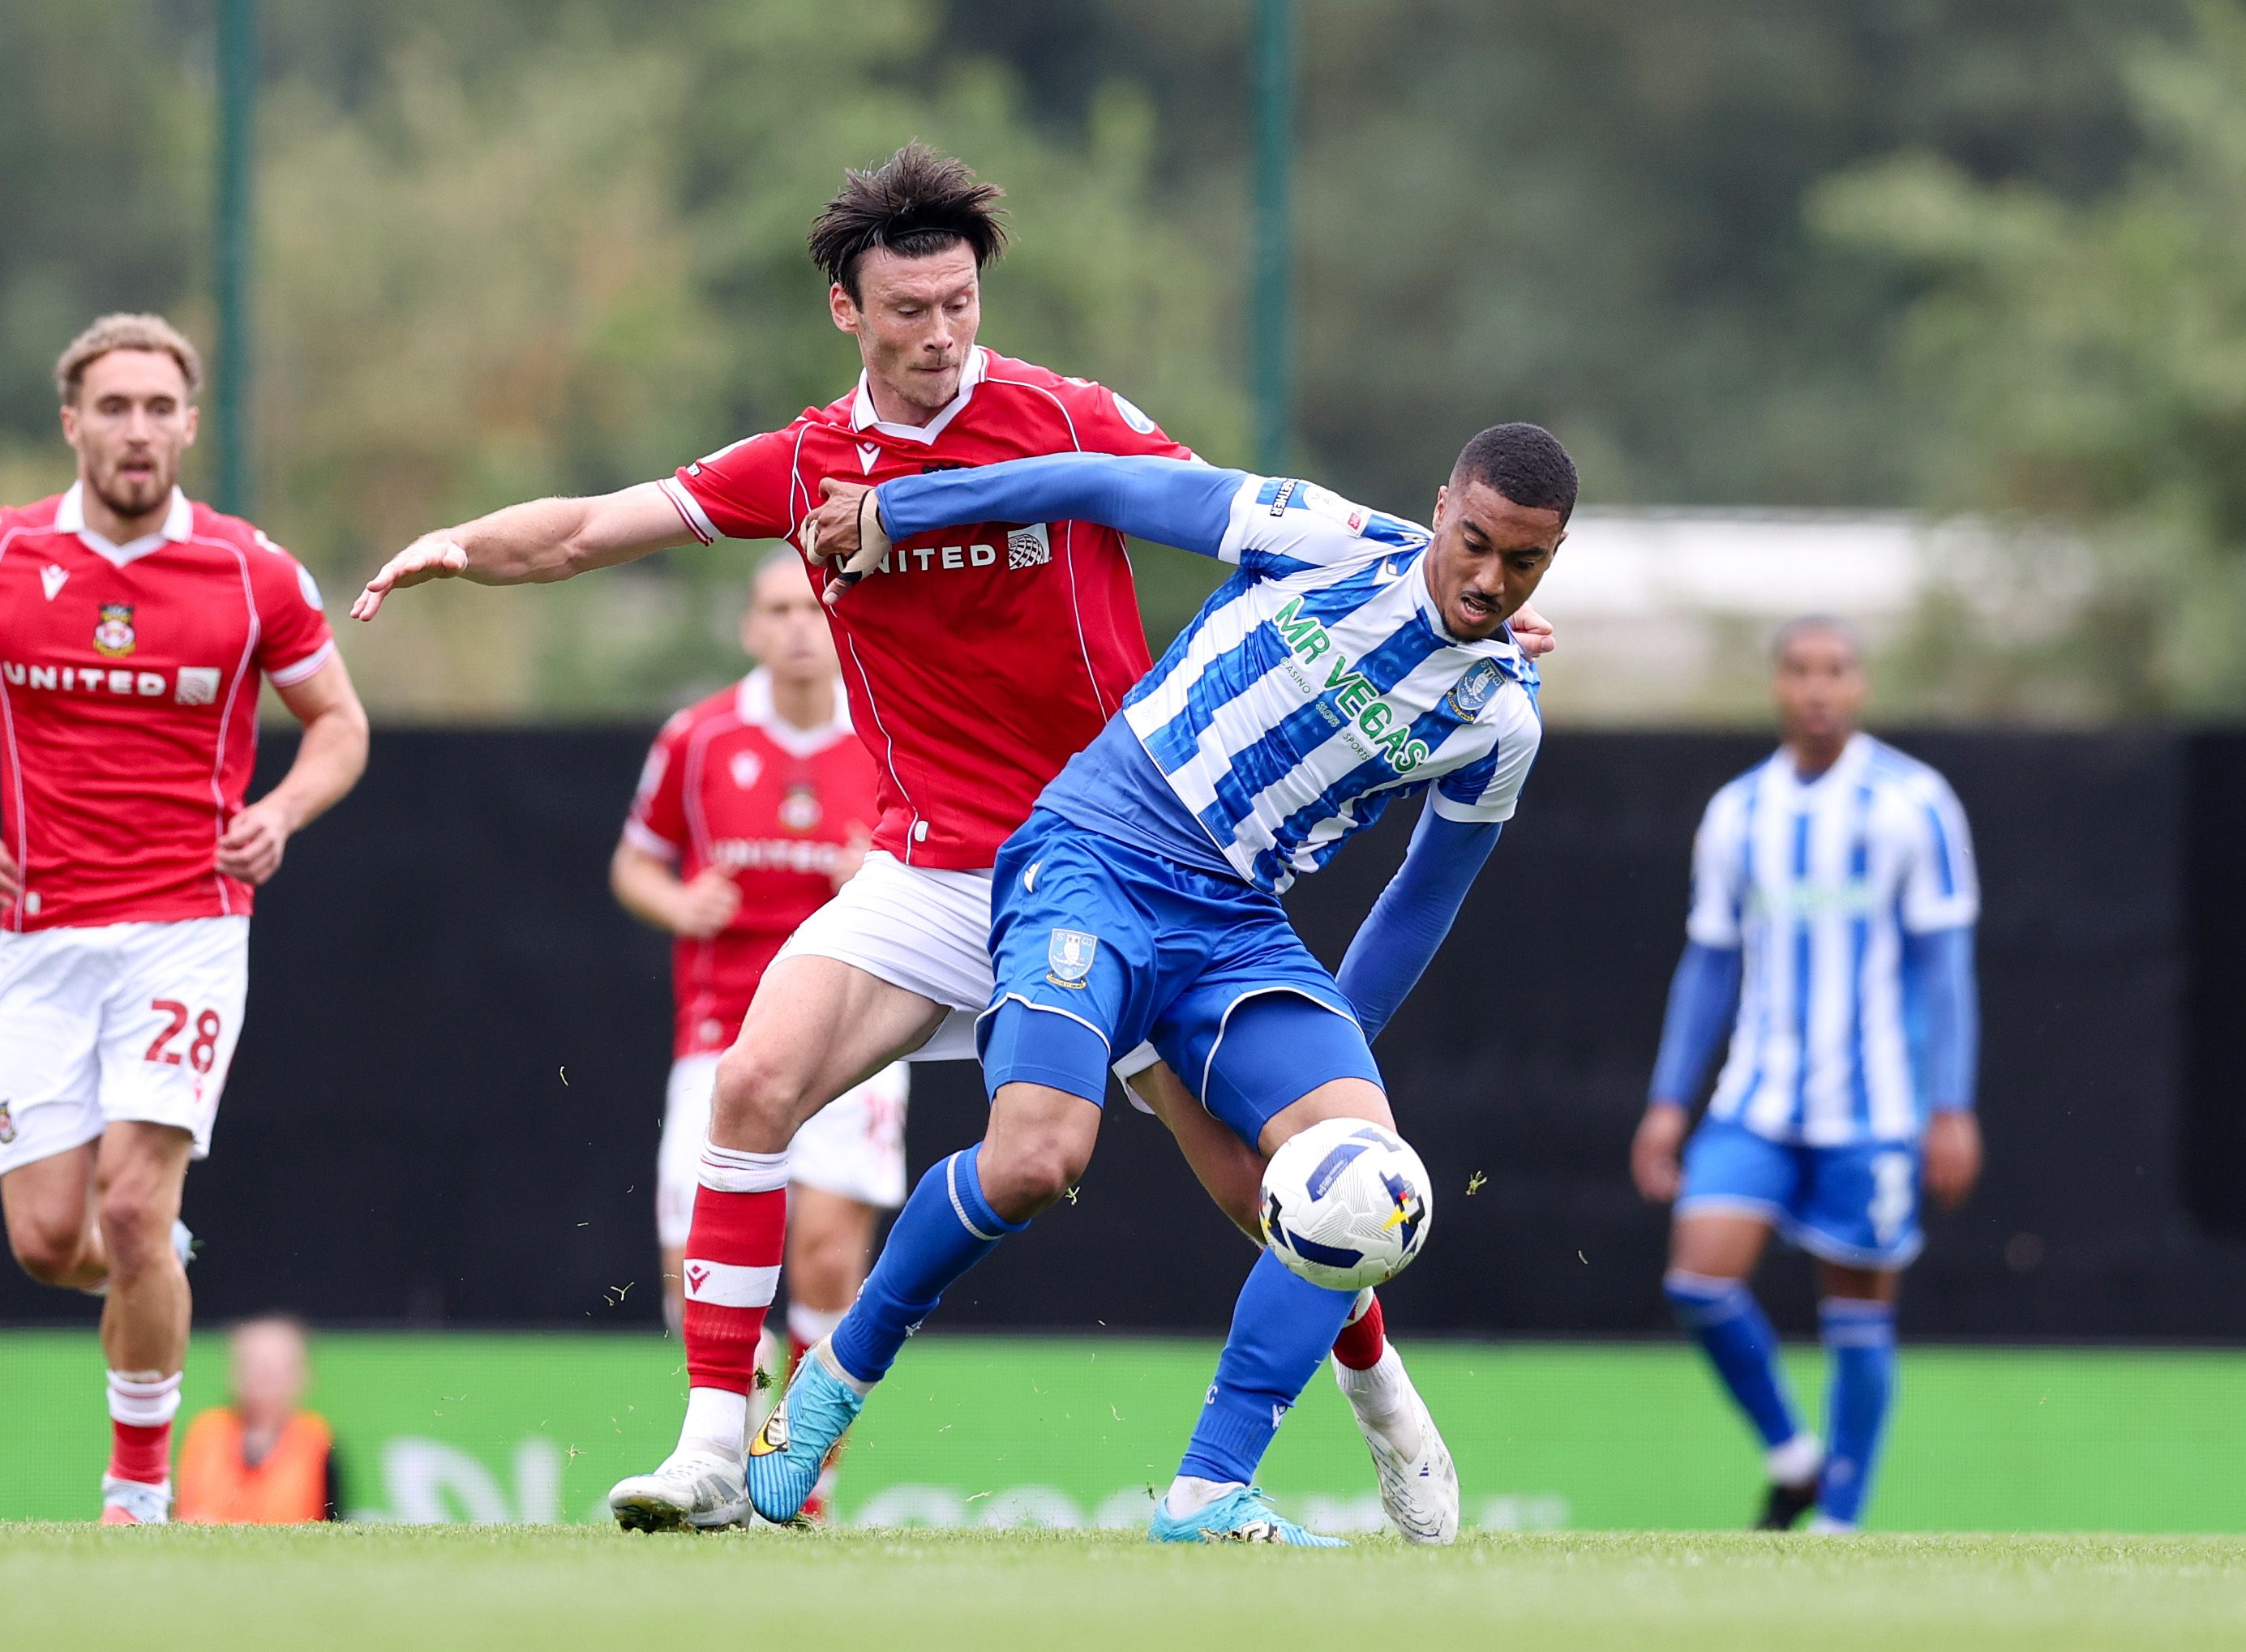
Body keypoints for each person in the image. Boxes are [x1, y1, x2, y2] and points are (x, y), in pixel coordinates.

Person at [351, 145, 1548, 1535]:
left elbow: (1243, 510)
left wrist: (1454, 581)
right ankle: (712, 1448)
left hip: (1133, 858)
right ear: (846, 311)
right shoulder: (805, 462)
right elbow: (580, 533)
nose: (939, 335)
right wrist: (457, 544)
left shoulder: (1066, 415)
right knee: (754, 1085)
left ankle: (1377, 1389)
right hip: (938, 868)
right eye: (909, 310)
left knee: (1279, 1191)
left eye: (960, 304)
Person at [745, 424, 1576, 1544]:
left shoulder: (1499, 714)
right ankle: (835, 1377)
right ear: (1440, 507)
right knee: (1036, 1161)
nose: (1489, 580)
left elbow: (1424, 897)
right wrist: (897, 511)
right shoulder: (1322, 536)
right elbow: (1103, 483)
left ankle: (1208, 1489)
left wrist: (1329, 1054)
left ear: (1552, 559)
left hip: (1233, 927)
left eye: (1522, 563)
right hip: (1090, 857)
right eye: (1474, 542)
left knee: (1362, 1180)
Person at [0, 314, 370, 1525]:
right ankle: (158, 1265)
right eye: (114, 407)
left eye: (160, 408)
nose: (138, 429)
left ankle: (137, 1492)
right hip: (41, 933)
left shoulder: (251, 571)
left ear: (190, 425)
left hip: (187, 927)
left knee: (132, 1206)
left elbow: (340, 723)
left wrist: (283, 811)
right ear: (73, 422)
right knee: (52, 1241)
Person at [1629, 617, 1982, 1532]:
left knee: (1858, 1316)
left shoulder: (1913, 802)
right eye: (1799, 669)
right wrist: (1668, 1101)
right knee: (1697, 1281)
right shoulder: (1737, 812)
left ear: (1860, 685)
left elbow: (1946, 966)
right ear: (1777, 686)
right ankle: (1794, 1457)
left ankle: (1839, 1524)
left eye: (1836, 670)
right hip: (1757, 1099)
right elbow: (1707, 964)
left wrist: (1950, 1105)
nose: (1818, 687)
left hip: (1873, 1108)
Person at [613, 549, 905, 1519]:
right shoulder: (697, 738)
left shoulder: (889, 730)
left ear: (840, 619)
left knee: (825, 1256)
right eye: (776, 609)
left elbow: (945, 857)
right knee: (686, 1274)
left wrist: (880, 870)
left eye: (811, 608)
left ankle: (803, 1490)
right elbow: (635, 863)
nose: (795, 627)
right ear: (749, 627)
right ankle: (728, 1450)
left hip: (856, 1027)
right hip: (721, 1032)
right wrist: (678, 901)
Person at [176, 1316, 340, 1524]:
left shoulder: (318, 1441)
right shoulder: (206, 1433)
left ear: (304, 1375)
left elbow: (334, 1524)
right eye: (254, 1365)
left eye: (277, 1366)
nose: (264, 1377)